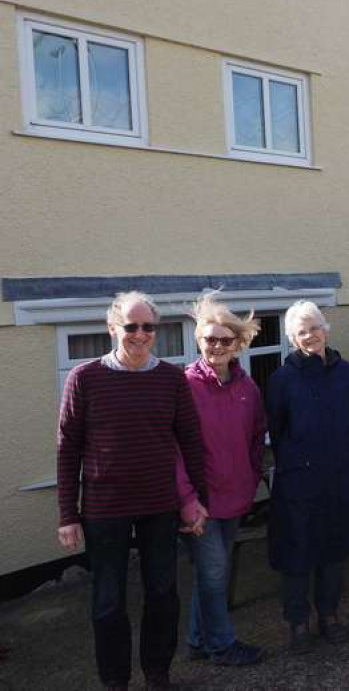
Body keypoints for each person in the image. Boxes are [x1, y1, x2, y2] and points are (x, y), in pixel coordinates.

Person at [57, 291, 207, 691]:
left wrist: (198, 500)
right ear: (112, 328)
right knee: (108, 601)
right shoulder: (84, 378)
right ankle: (115, 680)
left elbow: (190, 440)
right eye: (131, 326)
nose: (140, 335)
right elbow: (67, 447)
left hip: (160, 504)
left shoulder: (172, 379)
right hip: (105, 508)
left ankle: (158, 674)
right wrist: (67, 514)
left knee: (162, 594)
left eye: (148, 327)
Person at [267, 301, 349, 652]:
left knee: (334, 547)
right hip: (298, 478)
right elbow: (276, 427)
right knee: (298, 551)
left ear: (325, 330)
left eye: (315, 328)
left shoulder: (344, 372)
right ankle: (297, 622)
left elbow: (347, 415)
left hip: (339, 473)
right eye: (302, 331)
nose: (310, 335)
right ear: (292, 339)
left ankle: (329, 615)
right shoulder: (281, 378)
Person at [176, 295, 266, 666]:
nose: (215, 346)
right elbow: (173, 447)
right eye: (208, 339)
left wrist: (251, 479)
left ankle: (198, 640)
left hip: (236, 497)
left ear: (238, 344)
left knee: (212, 574)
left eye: (224, 340)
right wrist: (186, 499)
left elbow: (256, 437)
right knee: (214, 575)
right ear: (199, 340)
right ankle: (221, 645)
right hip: (200, 503)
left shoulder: (249, 389)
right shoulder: (184, 386)